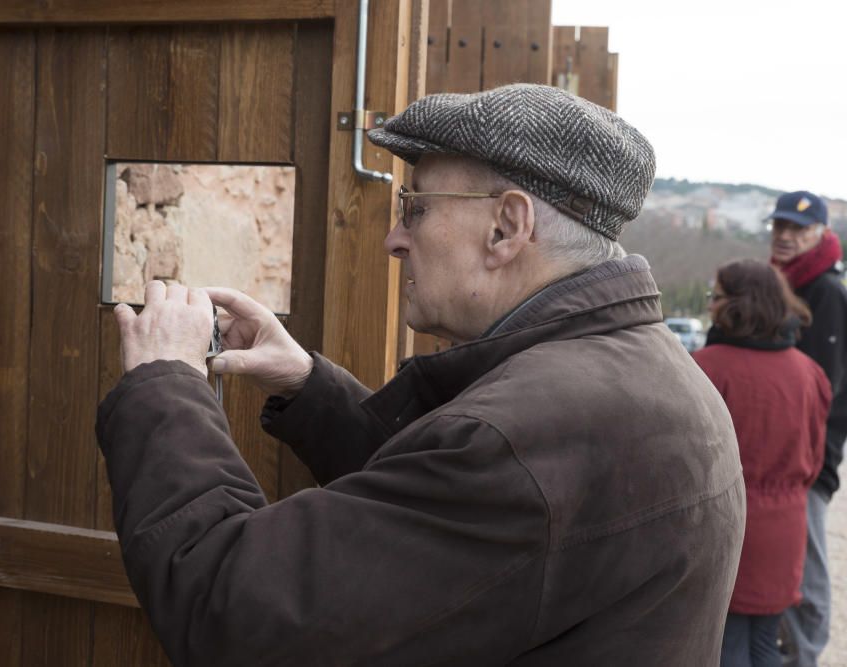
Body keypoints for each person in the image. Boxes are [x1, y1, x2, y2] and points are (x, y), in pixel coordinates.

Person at [96, 84, 746, 666]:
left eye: (415, 207)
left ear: (506, 226)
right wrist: (307, 385)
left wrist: (166, 383)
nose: (393, 239)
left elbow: (230, 610)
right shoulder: (653, 370)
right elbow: (444, 525)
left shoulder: (519, 442)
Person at [692, 259, 831, 667]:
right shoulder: (810, 373)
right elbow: (815, 459)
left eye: (715, 297)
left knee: (728, 646)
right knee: (765, 644)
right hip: (786, 531)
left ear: (735, 304)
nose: (711, 305)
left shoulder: (705, 368)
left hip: (728, 530)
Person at [766, 191, 847, 666]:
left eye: (797, 230)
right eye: (780, 227)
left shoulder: (826, 292)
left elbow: (820, 389)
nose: (785, 237)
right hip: (780, 458)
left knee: (807, 565)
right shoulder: (784, 284)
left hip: (809, 460)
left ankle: (804, 655)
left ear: (821, 234)